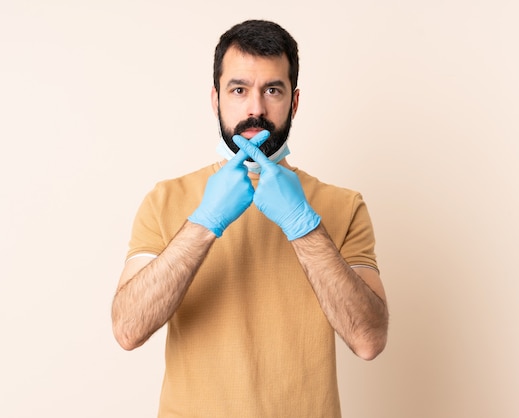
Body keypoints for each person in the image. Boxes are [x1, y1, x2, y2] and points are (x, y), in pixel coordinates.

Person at [111, 19, 388, 417]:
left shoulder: (344, 206)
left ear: (293, 102)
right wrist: (204, 223)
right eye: (238, 90)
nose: (255, 108)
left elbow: (369, 340)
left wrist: (303, 225)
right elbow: (127, 329)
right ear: (216, 99)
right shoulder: (165, 200)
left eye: (271, 90)